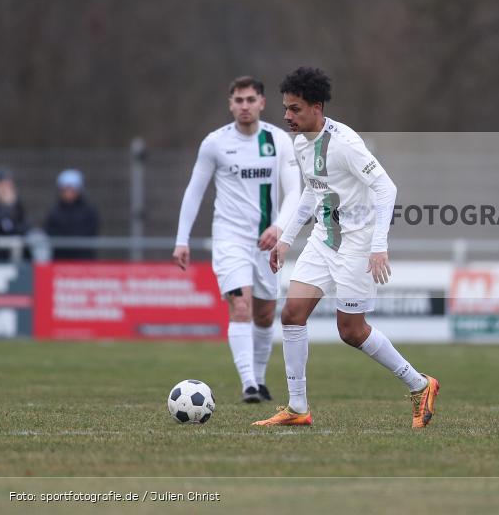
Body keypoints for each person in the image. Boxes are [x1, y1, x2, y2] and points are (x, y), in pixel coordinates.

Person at [252, 66, 440, 428]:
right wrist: (287, 238)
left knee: (351, 331)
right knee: (292, 314)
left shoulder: (346, 143)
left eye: (295, 109)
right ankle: (297, 408)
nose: (287, 116)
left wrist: (378, 246)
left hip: (356, 243)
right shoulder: (301, 141)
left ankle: (420, 385)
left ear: (317, 107)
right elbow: (312, 189)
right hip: (324, 239)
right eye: (286, 108)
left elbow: (387, 189)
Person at [174, 76, 302, 403]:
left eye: (250, 100)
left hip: (267, 241)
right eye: (238, 100)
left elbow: (294, 192)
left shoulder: (278, 140)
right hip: (230, 239)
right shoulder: (215, 143)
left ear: (261, 103)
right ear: (230, 104)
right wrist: (182, 239)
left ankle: (258, 379)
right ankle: (248, 384)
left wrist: (279, 228)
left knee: (263, 313)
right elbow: (194, 191)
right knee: (240, 306)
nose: (244, 106)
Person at [44, 169, 100, 260]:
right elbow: (50, 232)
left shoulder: (89, 211)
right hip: (60, 260)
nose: (68, 193)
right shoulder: (54, 211)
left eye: (72, 189)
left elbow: (90, 232)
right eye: (65, 189)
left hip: (83, 260)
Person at [0, 167, 29, 261]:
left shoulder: (17, 205)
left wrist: (10, 205)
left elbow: (25, 227)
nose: (5, 189)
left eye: (8, 185)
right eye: (2, 185)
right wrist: (7, 208)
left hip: (15, 252)